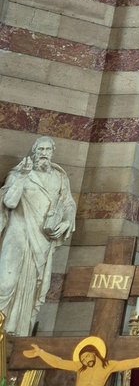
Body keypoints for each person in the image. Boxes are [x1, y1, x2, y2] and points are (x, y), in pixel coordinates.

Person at [0, 137, 76, 334]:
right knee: (5, 283)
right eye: (40, 149)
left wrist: (67, 221)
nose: (44, 153)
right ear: (33, 151)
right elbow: (9, 202)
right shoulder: (19, 173)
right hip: (18, 234)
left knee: (33, 288)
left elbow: (68, 204)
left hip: (42, 240)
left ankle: (19, 334)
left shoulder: (59, 178)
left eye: (48, 149)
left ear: (52, 152)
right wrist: (23, 177)